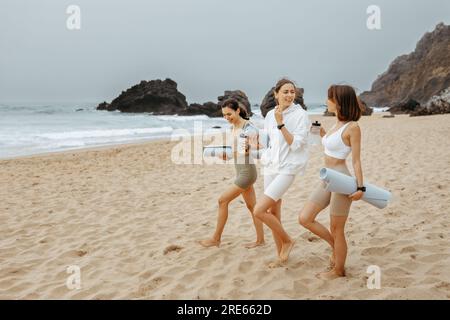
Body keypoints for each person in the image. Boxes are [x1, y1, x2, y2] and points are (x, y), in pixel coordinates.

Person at [299, 84, 365, 280]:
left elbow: (356, 160)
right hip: (327, 177)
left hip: (342, 179)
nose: (327, 101)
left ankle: (338, 270)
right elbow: (332, 143)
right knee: (305, 218)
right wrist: (321, 133)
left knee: (337, 228)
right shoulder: (336, 124)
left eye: (330, 98)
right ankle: (333, 247)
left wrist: (361, 187)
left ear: (339, 102)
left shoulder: (353, 127)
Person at [252, 78, 311, 265]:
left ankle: (287, 240)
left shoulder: (301, 115)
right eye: (285, 92)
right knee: (273, 211)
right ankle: (281, 256)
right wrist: (254, 147)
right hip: (270, 166)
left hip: (287, 168)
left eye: (292, 92)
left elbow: (296, 144)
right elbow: (269, 143)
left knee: (259, 210)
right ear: (276, 94)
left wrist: (281, 124)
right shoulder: (270, 115)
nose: (289, 95)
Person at [199, 98, 265, 248]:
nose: (226, 118)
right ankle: (260, 240)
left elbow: (258, 146)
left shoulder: (249, 128)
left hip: (247, 173)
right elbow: (236, 152)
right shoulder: (232, 128)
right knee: (253, 207)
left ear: (238, 111)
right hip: (240, 170)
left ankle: (216, 239)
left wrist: (251, 146)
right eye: (224, 115)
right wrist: (225, 155)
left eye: (229, 114)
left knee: (222, 201)